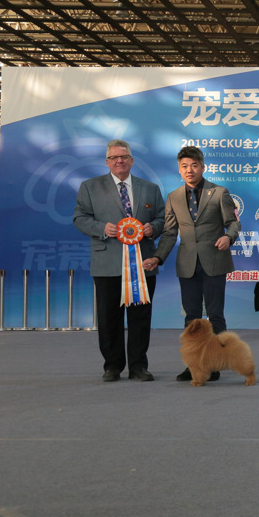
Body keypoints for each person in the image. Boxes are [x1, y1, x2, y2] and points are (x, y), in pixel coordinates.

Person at [143, 146, 240, 382]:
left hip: (214, 261)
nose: (190, 170)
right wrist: (158, 257)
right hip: (187, 264)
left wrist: (228, 237)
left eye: (194, 165)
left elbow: (233, 223)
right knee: (191, 317)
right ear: (179, 169)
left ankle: (215, 364)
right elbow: (169, 233)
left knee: (215, 315)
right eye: (185, 166)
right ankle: (193, 365)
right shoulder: (173, 197)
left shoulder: (219, 193)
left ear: (203, 167)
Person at [74, 139, 165, 382]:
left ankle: (138, 366)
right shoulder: (89, 187)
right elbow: (79, 218)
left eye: (124, 157)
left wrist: (152, 229)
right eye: (114, 157)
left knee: (140, 318)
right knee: (108, 318)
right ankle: (112, 366)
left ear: (132, 161)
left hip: (143, 263)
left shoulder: (150, 188)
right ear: (107, 162)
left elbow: (162, 218)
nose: (119, 161)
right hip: (106, 263)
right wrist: (101, 228)